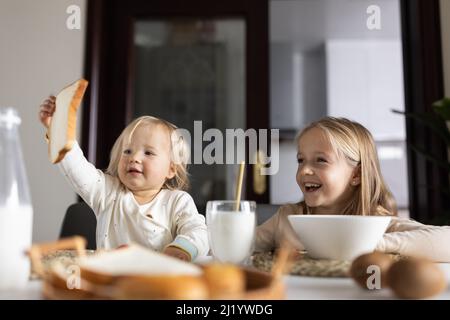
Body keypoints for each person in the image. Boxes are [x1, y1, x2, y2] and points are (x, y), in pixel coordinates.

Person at [256, 117, 450, 262]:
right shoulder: (287, 218)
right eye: (301, 160)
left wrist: (368, 243)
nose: (304, 170)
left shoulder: (374, 222)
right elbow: (239, 246)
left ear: (356, 175)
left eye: (321, 160)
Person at [39, 96, 209, 261]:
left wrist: (181, 249)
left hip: (156, 283)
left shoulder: (178, 201)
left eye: (148, 152)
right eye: (127, 151)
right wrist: (58, 130)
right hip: (110, 283)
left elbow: (198, 231)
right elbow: (76, 168)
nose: (134, 158)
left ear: (171, 168)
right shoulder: (107, 192)